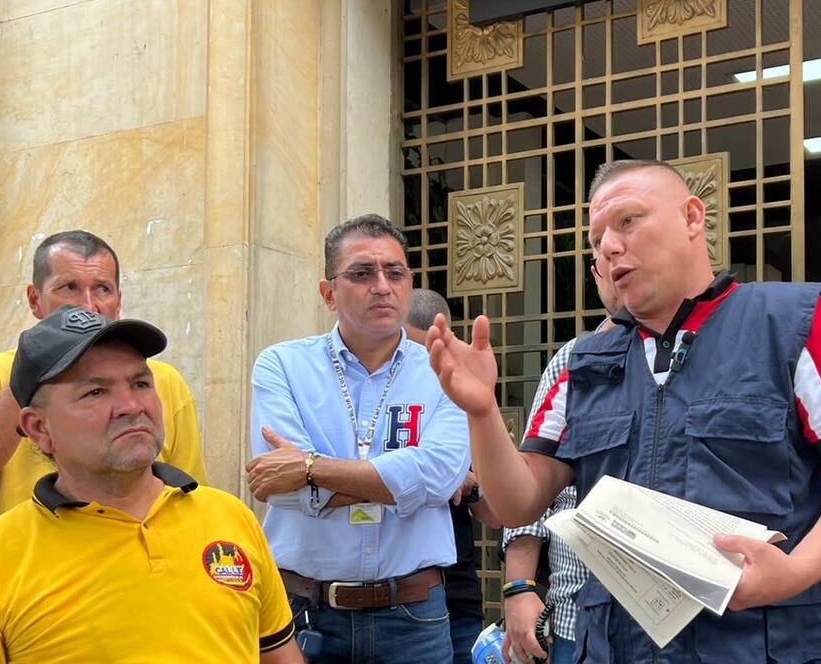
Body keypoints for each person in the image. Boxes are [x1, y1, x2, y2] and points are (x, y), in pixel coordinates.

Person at [427, 160, 821, 662]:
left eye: (628, 221)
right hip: (616, 647)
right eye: (596, 239)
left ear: (693, 218)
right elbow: (516, 504)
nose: (609, 246)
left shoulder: (793, 324)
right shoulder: (583, 365)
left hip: (767, 644)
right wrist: (481, 412)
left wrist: (794, 572)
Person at [0, 306, 301, 662]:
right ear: (39, 428)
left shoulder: (232, 519)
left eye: (140, 383)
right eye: (96, 392)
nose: (131, 406)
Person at [247, 215, 471, 663]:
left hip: (413, 617)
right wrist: (402, 484)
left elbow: (442, 477)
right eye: (362, 274)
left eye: (395, 272)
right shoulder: (282, 366)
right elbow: (280, 490)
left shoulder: (444, 369)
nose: (382, 286)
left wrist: (310, 469)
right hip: (305, 614)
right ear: (329, 293)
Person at [0, 230, 207, 530]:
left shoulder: (164, 380)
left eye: (103, 289)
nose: (88, 306)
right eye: (69, 288)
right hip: (27, 568)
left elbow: (189, 497)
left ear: (118, 301)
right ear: (35, 300)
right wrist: (32, 371)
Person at [500, 263, 612, 664]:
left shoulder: (707, 353)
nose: (616, 264)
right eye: (601, 257)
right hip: (574, 616)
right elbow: (532, 488)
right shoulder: (573, 361)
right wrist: (518, 586)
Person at [405, 287, 502, 664]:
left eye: (416, 348)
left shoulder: (464, 401)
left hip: (455, 600)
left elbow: (500, 516)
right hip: (385, 599)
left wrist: (467, 482)